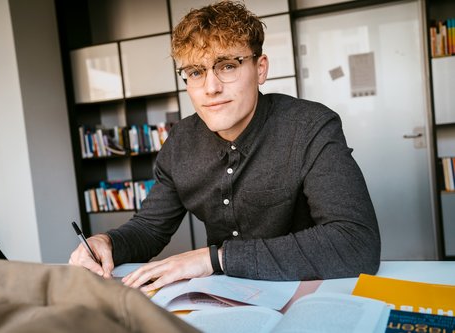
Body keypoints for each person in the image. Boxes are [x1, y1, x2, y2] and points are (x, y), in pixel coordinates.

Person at [69, 0, 381, 293]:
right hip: (227, 299)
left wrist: (215, 259)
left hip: (310, 290)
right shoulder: (179, 143)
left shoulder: (310, 126)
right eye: (195, 72)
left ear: (260, 68)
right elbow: (150, 228)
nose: (211, 87)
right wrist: (107, 242)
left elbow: (356, 243)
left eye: (228, 66)